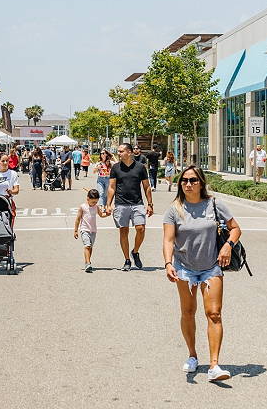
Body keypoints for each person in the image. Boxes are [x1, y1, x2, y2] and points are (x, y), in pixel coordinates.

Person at [163, 165, 242, 382]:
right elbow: (168, 240)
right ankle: (192, 355)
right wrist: (168, 263)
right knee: (188, 312)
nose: (188, 184)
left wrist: (227, 246)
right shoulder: (174, 209)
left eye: (193, 180)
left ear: (201, 183)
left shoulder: (214, 204)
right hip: (184, 268)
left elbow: (235, 229)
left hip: (211, 267)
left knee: (214, 313)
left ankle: (214, 365)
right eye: (184, 180)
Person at [106, 143, 154, 271]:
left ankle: (135, 251)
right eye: (118, 151)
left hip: (137, 203)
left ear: (129, 152)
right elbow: (112, 187)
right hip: (121, 203)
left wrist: (150, 204)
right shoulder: (115, 168)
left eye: (121, 151)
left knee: (140, 229)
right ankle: (127, 260)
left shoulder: (140, 167)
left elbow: (146, 186)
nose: (118, 153)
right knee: (124, 231)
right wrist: (108, 204)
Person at [74, 188, 110, 272]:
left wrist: (107, 214)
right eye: (93, 202)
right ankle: (88, 263)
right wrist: (75, 230)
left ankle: (88, 262)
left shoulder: (96, 207)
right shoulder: (83, 207)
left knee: (90, 247)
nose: (94, 203)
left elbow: (101, 215)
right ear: (88, 199)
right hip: (84, 229)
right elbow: (78, 219)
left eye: (96, 202)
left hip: (93, 230)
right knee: (87, 246)